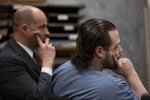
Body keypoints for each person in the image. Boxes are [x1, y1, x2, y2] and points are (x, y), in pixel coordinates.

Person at [52, 18, 148, 100]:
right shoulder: (115, 88)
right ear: (99, 52)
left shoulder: (60, 71)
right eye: (116, 47)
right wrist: (130, 74)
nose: (121, 50)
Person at [0, 5, 68, 100]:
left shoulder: (35, 52)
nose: (47, 33)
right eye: (42, 27)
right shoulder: (8, 61)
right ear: (24, 29)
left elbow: (48, 90)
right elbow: (37, 97)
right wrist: (47, 63)